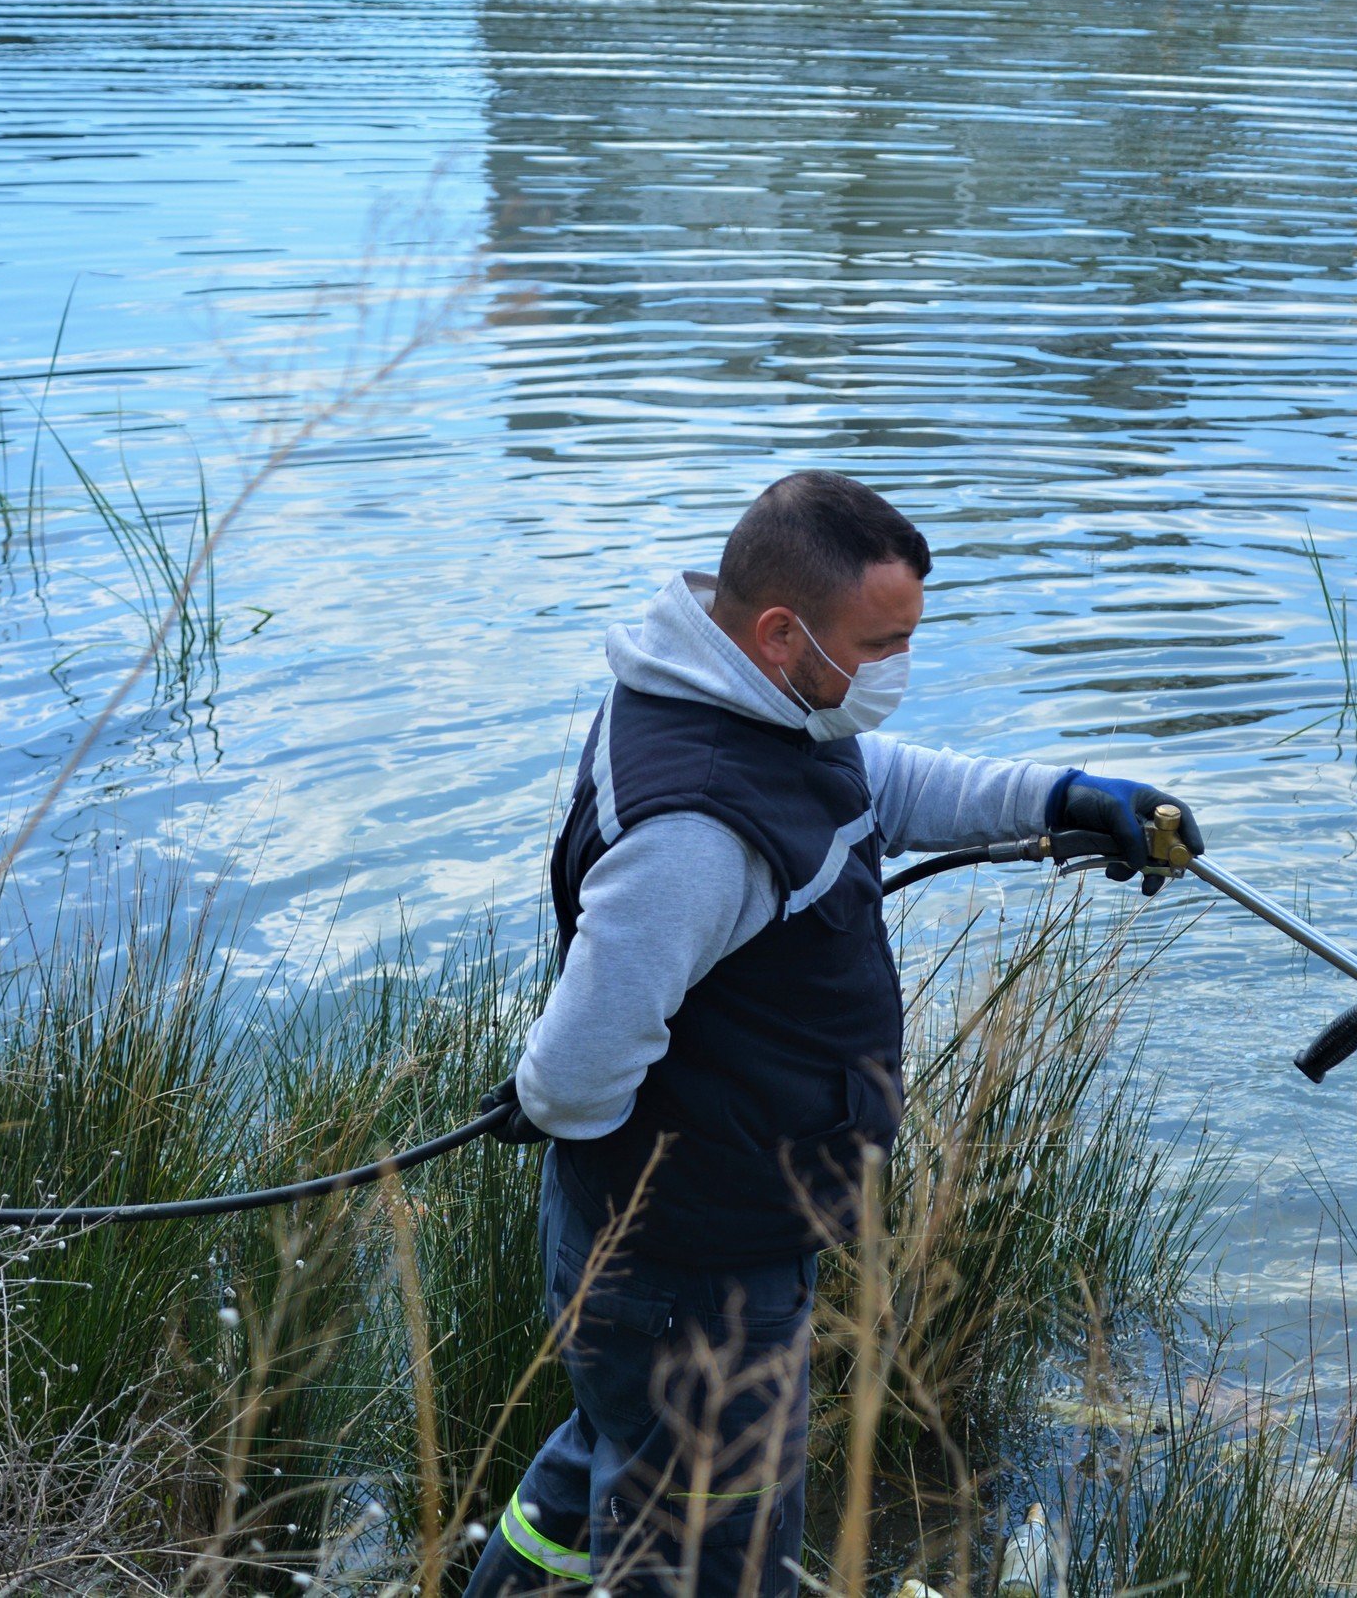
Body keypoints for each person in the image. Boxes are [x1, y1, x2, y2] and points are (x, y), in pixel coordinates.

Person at [463, 471, 1201, 1598]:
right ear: (780, 630)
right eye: (884, 640)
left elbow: (880, 782)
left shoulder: (742, 697)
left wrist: (1061, 796)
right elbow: (570, 1080)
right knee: (716, 1548)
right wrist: (595, 1117)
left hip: (661, 1250)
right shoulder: (698, 834)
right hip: (688, 1266)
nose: (900, 665)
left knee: (612, 1453)